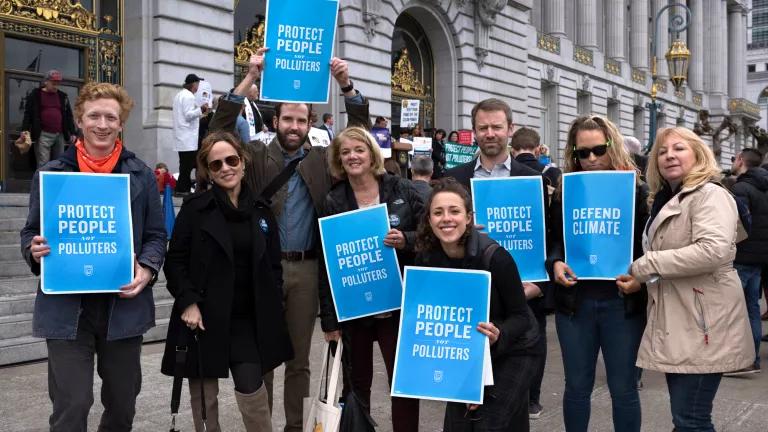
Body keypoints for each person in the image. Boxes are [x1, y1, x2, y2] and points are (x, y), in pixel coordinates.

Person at [208, 48, 370, 432]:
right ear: (275, 120)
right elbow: (219, 131)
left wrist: (345, 84)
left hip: (307, 269)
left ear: (309, 123)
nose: (294, 126)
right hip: (264, 269)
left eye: (301, 120)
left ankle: (295, 427)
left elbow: (359, 132)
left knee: (299, 359)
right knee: (263, 355)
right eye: (288, 119)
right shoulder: (255, 157)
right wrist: (249, 78)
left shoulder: (323, 159)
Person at [20, 82, 167, 431]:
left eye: (110, 118)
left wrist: (146, 269)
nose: (102, 124)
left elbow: (156, 236)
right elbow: (29, 232)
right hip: (68, 309)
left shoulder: (141, 175)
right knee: (73, 404)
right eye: (94, 116)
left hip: (123, 306)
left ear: (121, 124)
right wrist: (34, 249)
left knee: (121, 404)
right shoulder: (51, 174)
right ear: (80, 120)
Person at [621, 126, 753, 431]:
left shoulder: (709, 194)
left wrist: (645, 265)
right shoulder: (670, 197)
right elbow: (677, 262)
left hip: (703, 324)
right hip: (684, 322)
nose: (669, 156)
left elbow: (713, 251)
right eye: (662, 152)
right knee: (687, 418)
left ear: (698, 154)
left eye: (678, 148)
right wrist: (644, 279)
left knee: (691, 419)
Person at [161, 131, 293, 432]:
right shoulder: (196, 208)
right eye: (216, 164)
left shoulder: (261, 211)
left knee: (251, 387)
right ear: (208, 170)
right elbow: (175, 260)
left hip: (246, 319)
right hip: (204, 316)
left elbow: (273, 265)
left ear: (243, 163)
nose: (225, 168)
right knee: (205, 399)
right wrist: (188, 302)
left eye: (231, 160)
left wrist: (273, 300)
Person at [547, 115, 648, 432]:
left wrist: (641, 278)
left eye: (598, 150)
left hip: (622, 303)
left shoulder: (636, 191)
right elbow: (553, 240)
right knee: (576, 387)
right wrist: (555, 263)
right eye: (582, 153)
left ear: (613, 147)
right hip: (575, 303)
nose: (591, 159)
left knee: (624, 389)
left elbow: (651, 246)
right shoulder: (565, 192)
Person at [319, 126, 423, 432]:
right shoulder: (333, 200)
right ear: (338, 159)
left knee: (402, 382)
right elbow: (327, 264)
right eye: (346, 152)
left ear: (371, 154)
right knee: (355, 385)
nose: (353, 157)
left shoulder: (401, 188)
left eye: (359, 150)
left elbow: (430, 236)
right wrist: (329, 320)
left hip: (397, 306)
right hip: (355, 311)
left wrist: (407, 239)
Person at [415, 178, 538, 431]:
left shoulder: (496, 257)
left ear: (469, 217)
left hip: (516, 348)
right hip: (466, 352)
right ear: (429, 220)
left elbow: (521, 317)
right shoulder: (427, 260)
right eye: (438, 212)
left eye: (454, 211)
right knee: (458, 425)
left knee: (486, 423)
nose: (446, 218)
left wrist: (499, 333)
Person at [724, 147, 768, 375]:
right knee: (751, 307)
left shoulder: (741, 188)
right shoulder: (764, 186)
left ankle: (739, 359)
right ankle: (752, 360)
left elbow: (737, 224)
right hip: (759, 257)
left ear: (740, 161)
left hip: (741, 256)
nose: (732, 162)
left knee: (731, 308)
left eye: (733, 158)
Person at [21, 69, 77, 168]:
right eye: (53, 83)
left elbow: (68, 115)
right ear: (46, 82)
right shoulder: (35, 94)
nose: (56, 85)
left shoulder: (62, 96)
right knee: (43, 163)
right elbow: (28, 113)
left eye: (57, 83)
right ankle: (41, 183)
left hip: (59, 134)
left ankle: (56, 183)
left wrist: (72, 132)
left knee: (59, 162)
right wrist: (24, 130)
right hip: (43, 134)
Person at [173, 73, 209, 196]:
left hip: (182, 136)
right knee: (186, 166)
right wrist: (201, 110)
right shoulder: (189, 97)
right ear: (194, 84)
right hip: (187, 137)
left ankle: (181, 188)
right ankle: (183, 189)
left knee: (184, 164)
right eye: (198, 83)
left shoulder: (179, 95)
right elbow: (188, 115)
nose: (199, 86)